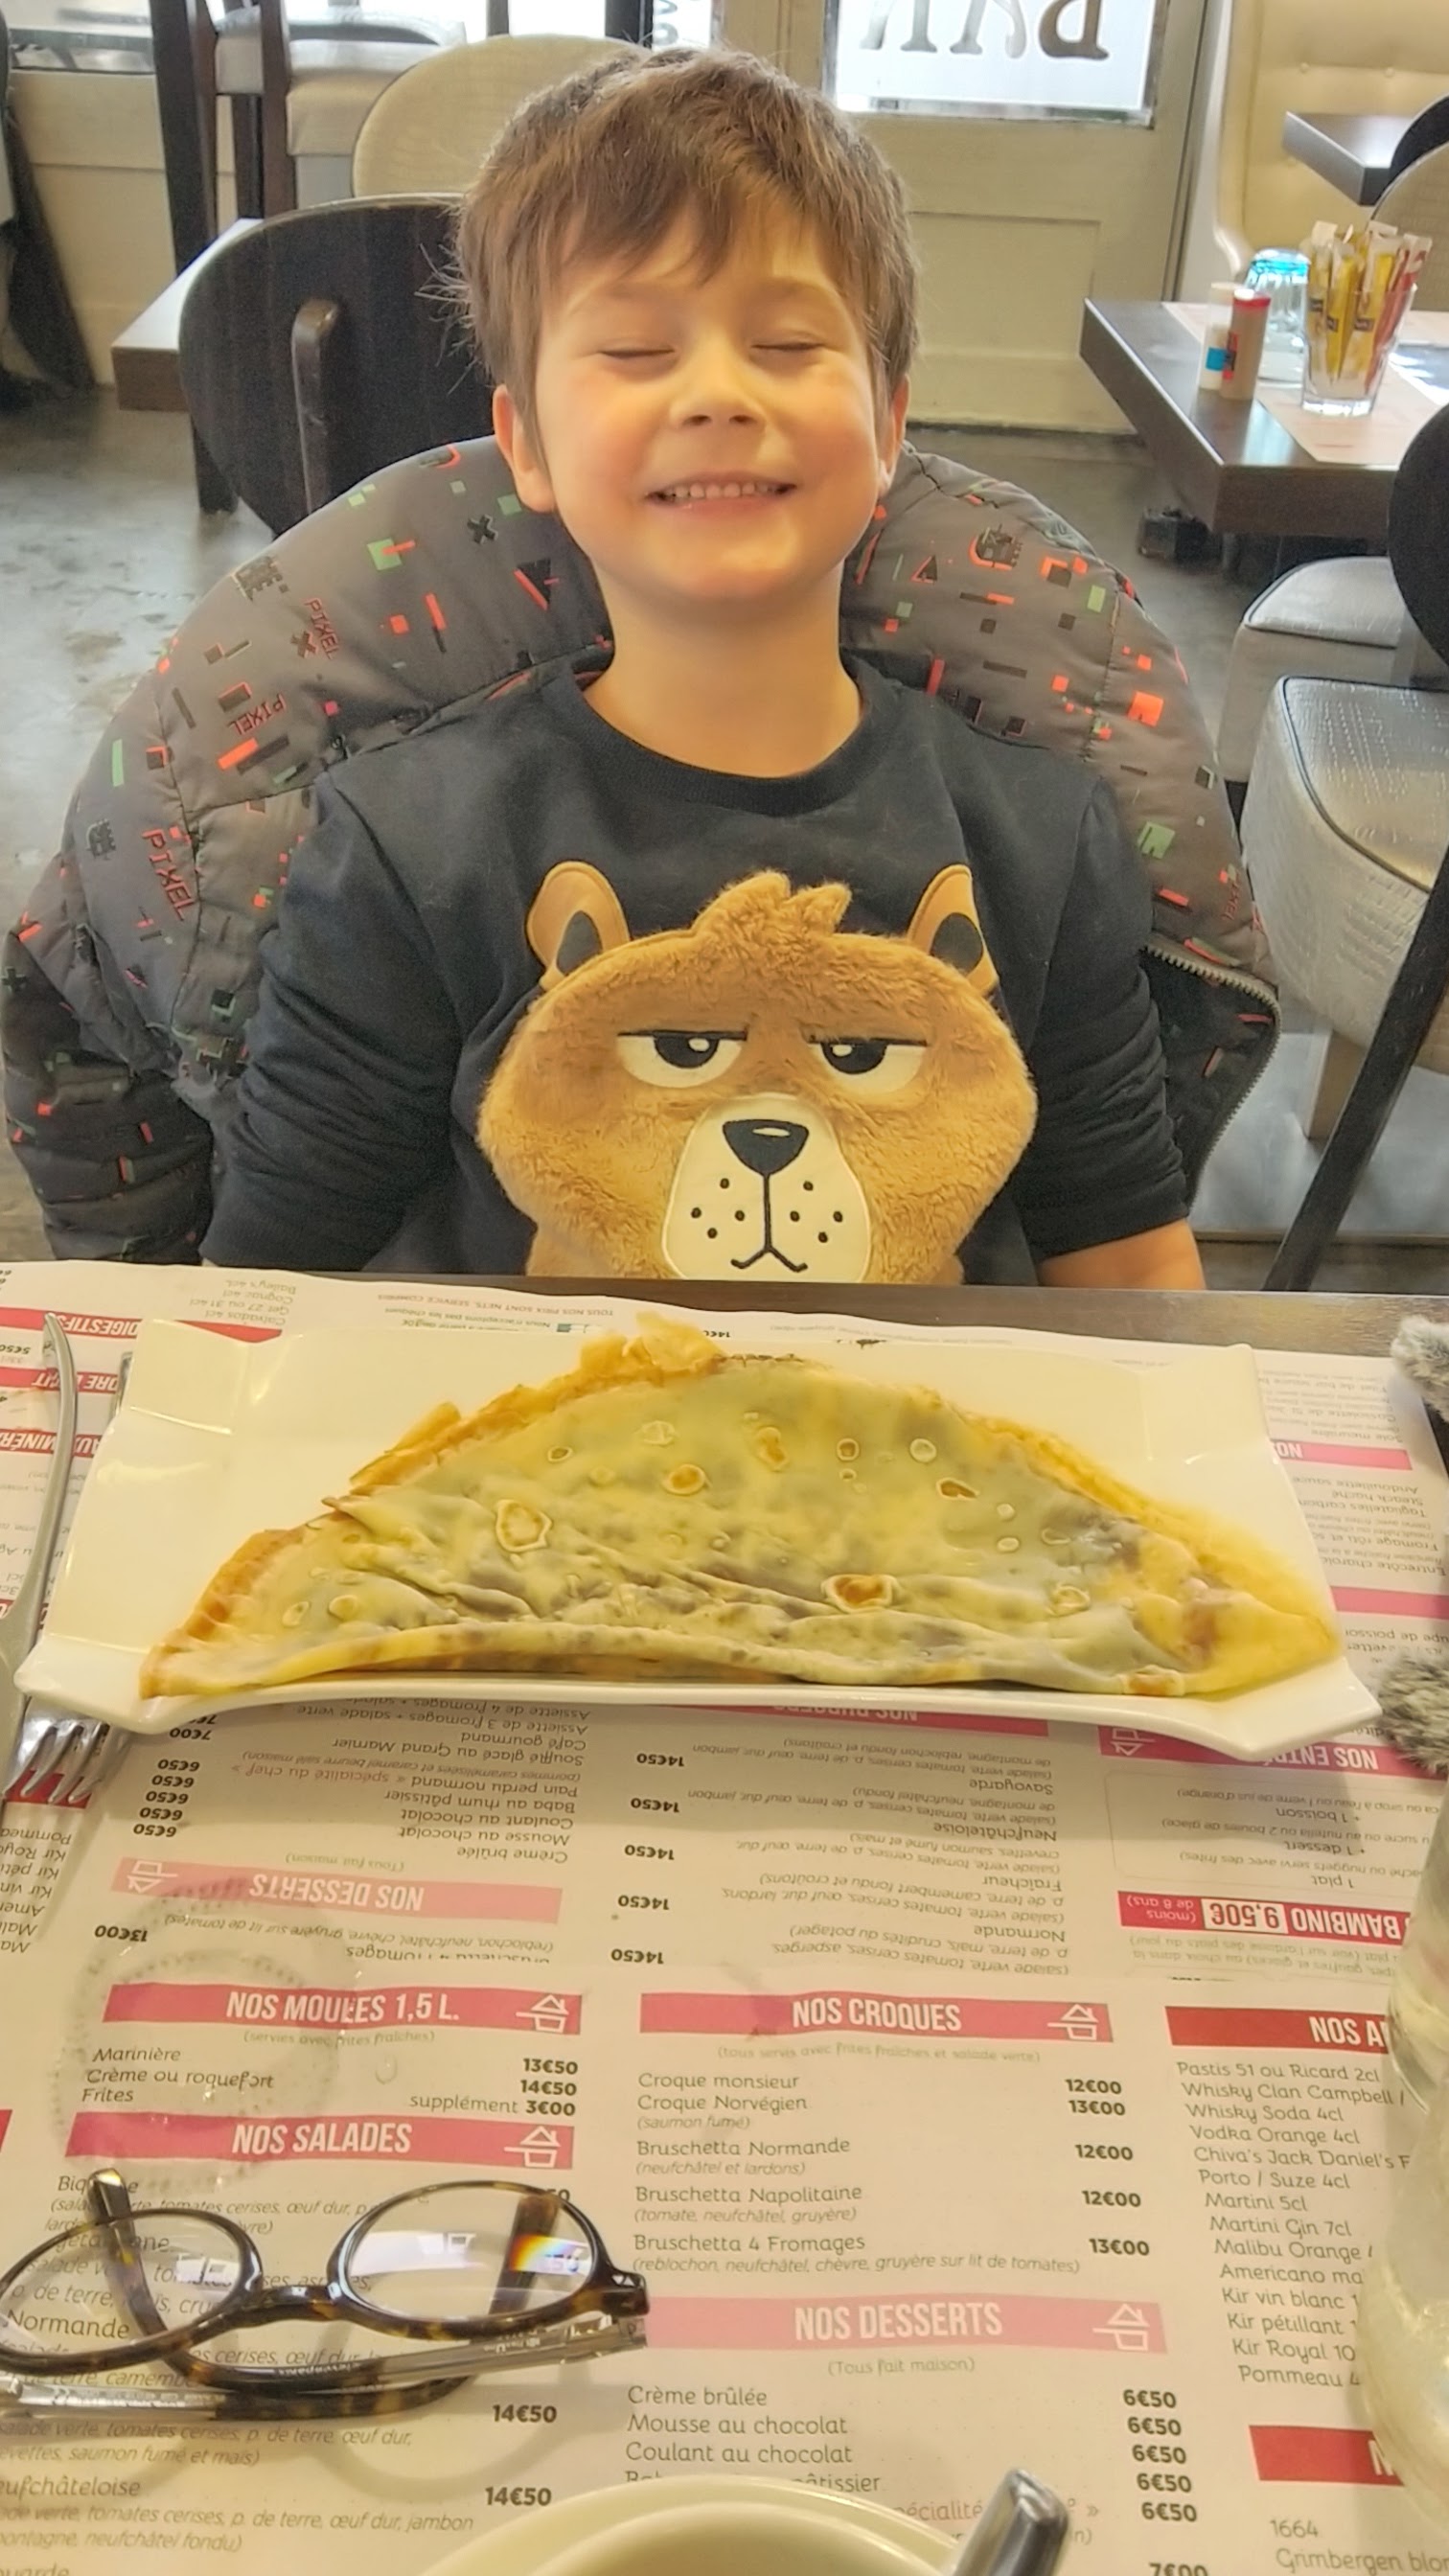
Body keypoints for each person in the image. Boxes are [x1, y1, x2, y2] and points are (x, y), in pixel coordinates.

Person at [200, 46, 1204, 1290]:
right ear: (527, 443)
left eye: (786, 342)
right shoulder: (409, 849)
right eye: (634, 349)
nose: (719, 393)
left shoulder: (1043, 844)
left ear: (888, 424)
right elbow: (273, 1284)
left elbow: (1127, 1268)